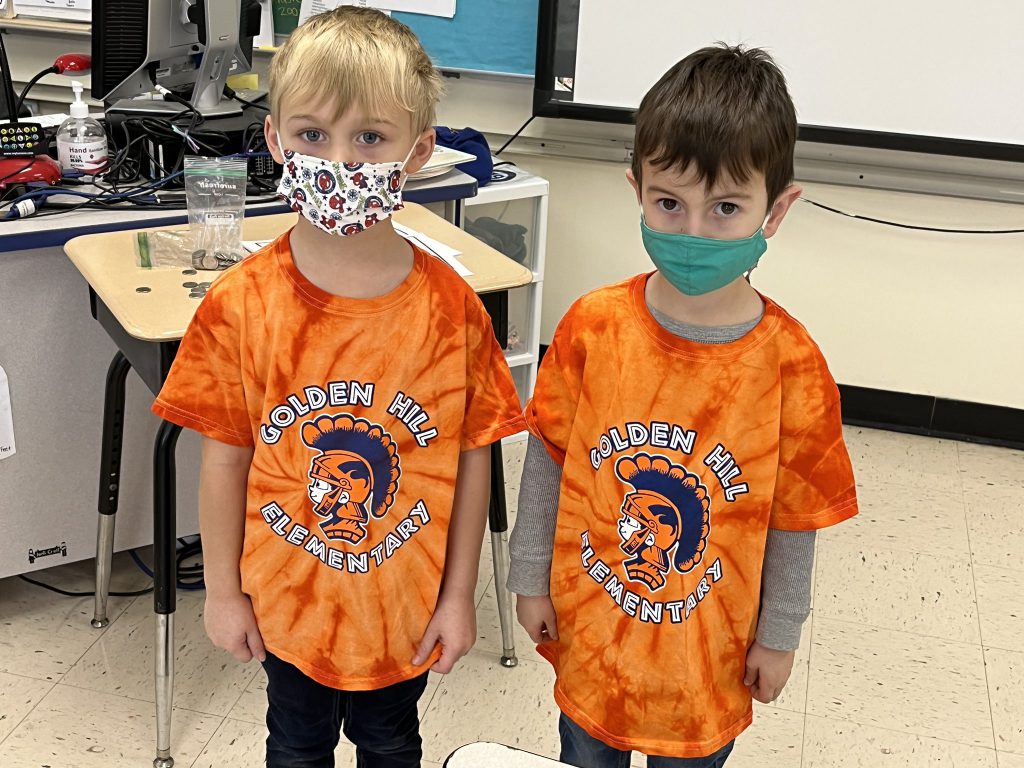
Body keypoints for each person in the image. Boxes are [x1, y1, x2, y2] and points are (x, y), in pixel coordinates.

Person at [152, 8, 525, 766]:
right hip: (288, 605)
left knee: (391, 743)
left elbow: (473, 457)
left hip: (403, 608)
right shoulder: (242, 303)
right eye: (313, 135)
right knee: (294, 744)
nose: (341, 161)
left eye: (371, 138)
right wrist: (222, 592)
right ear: (274, 139)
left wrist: (460, 596)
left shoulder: (451, 309)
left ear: (418, 152)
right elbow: (223, 458)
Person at [508, 45, 859, 767]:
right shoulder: (592, 327)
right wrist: (529, 575)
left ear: (777, 207)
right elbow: (549, 458)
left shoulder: (791, 363)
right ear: (636, 189)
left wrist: (780, 632)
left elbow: (796, 517)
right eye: (669, 203)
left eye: (725, 208)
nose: (693, 231)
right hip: (593, 638)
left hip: (709, 660)